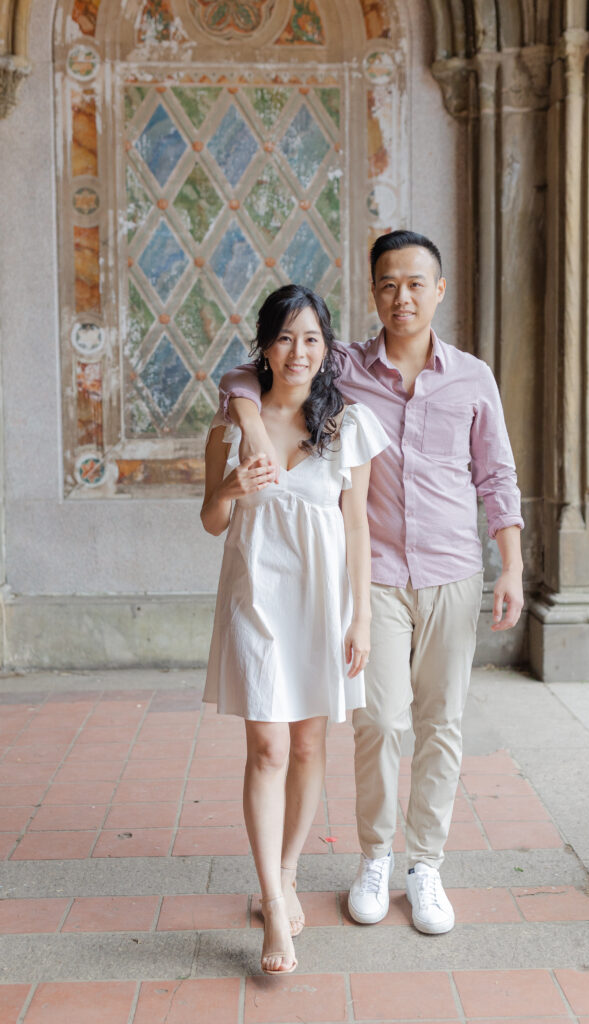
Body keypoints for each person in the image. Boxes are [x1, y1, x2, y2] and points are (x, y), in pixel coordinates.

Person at [218, 231, 524, 937]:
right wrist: (247, 423)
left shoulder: (472, 376)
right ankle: (375, 856)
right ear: (372, 292)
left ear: (437, 290)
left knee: (441, 724)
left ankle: (426, 864)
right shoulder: (344, 364)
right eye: (387, 284)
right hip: (375, 576)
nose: (401, 297)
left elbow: (496, 476)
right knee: (379, 722)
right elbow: (244, 371)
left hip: (451, 569)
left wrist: (508, 563)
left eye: (415, 283)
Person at [201, 284, 389, 974]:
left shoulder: (348, 425)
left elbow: (358, 526)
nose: (298, 351)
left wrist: (361, 618)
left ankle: (284, 871)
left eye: (311, 338)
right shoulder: (231, 423)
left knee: (309, 745)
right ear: (265, 346)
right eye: (284, 338)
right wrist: (229, 489)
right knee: (268, 751)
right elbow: (210, 520)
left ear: (327, 347)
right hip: (255, 601)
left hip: (324, 602)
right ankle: (273, 911)